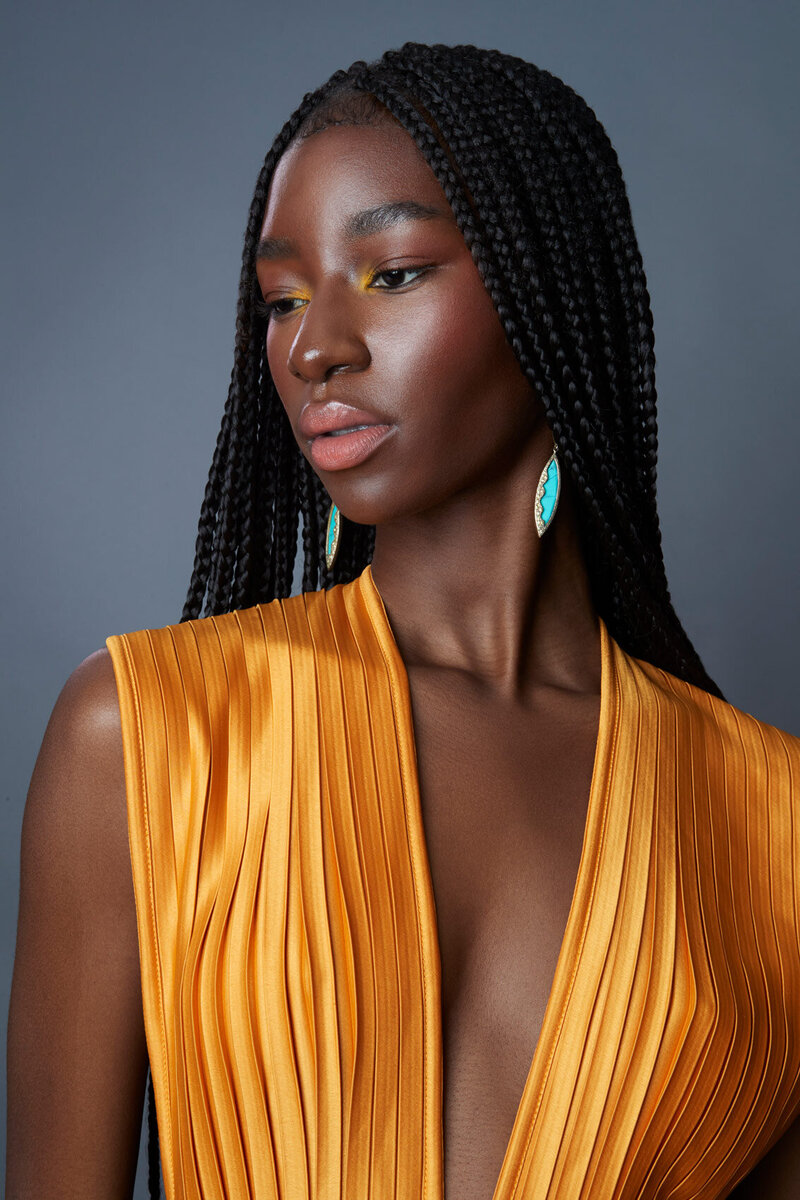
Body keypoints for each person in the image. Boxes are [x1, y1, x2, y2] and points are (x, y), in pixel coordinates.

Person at [6, 41, 800, 1200]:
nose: (313, 345)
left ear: (545, 292)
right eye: (280, 297)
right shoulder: (143, 736)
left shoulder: (775, 830)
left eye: (389, 272)